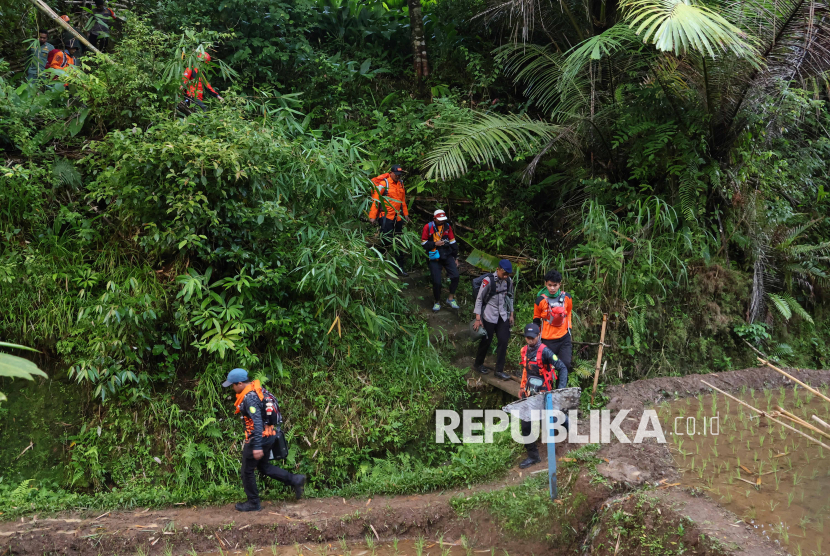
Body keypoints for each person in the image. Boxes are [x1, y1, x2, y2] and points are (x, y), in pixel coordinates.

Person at [222, 368, 306, 512]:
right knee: (263, 466)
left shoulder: (250, 398)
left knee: (247, 471)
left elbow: (257, 421)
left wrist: (257, 446)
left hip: (258, 437)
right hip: (269, 435)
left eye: (233, 385)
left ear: (240, 383)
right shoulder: (256, 390)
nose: (232, 388)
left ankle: (253, 503)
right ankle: (295, 480)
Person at [517, 323, 568, 469]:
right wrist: (522, 387)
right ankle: (533, 456)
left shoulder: (545, 352)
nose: (531, 340)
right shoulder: (524, 351)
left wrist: (560, 390)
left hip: (545, 392)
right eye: (528, 338)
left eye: (533, 338)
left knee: (551, 421)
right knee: (525, 424)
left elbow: (562, 368)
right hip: (530, 392)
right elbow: (526, 370)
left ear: (538, 336)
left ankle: (567, 427)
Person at [472, 259, 515, 380]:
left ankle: (499, 370)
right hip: (489, 315)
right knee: (486, 341)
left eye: (508, 274)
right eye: (504, 273)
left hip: (503, 315)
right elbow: (479, 299)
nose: (506, 276)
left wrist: (511, 314)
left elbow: (511, 297)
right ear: (498, 269)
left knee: (503, 340)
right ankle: (478, 364)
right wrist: (478, 318)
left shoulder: (508, 281)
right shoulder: (488, 281)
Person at [533, 269, 573, 388]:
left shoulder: (567, 298)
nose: (552, 288)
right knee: (545, 366)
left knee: (564, 365)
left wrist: (569, 326)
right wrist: (535, 337)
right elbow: (536, 318)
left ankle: (560, 391)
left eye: (555, 285)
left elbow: (569, 312)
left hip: (563, 338)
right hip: (547, 340)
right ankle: (546, 391)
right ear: (546, 284)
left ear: (559, 284)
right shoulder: (540, 300)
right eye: (550, 285)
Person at [368, 165, 410, 276]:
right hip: (386, 217)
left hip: (398, 217)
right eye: (396, 174)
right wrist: (372, 216)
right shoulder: (383, 184)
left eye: (399, 174)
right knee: (385, 241)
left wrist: (406, 214)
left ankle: (400, 268)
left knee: (398, 242)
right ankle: (378, 264)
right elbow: (376, 200)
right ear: (391, 173)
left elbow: (403, 201)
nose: (398, 176)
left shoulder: (401, 184)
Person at [421, 209, 459, 312]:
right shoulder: (428, 227)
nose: (441, 221)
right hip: (434, 257)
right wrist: (434, 244)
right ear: (434, 218)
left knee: (455, 276)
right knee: (437, 282)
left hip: (447, 255)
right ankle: (437, 301)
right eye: (439, 220)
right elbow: (423, 244)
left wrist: (456, 257)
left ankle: (450, 298)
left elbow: (453, 242)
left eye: (443, 219)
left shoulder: (447, 227)